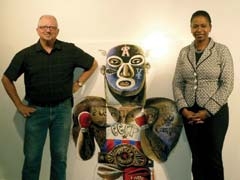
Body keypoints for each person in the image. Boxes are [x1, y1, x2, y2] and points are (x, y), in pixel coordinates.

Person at [1, 15, 98, 180]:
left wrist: (79, 83)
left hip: (62, 111)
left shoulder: (69, 50)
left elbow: (92, 64)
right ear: (37, 30)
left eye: (52, 27)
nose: (48, 30)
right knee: (32, 158)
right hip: (35, 111)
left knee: (60, 158)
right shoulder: (26, 55)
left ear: (57, 31)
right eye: (44, 27)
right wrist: (19, 105)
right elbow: (6, 78)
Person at [172, 10, 234, 180]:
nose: (199, 29)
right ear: (190, 28)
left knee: (213, 159)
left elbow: (227, 84)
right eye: (195, 26)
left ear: (210, 27)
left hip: (215, 113)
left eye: (203, 26)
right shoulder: (184, 52)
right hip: (190, 113)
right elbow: (177, 82)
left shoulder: (222, 51)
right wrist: (183, 109)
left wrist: (207, 111)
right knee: (197, 159)